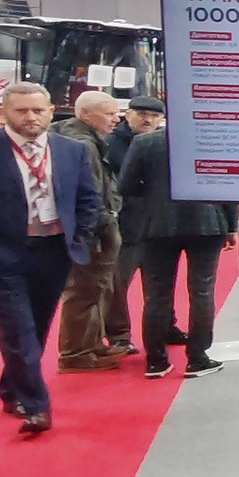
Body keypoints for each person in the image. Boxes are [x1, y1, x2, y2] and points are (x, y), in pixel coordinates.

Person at [0, 82, 101, 434]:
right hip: (0, 256)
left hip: (54, 251)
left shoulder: (71, 150)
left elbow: (87, 199)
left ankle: (12, 388)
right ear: (4, 114)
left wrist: (80, 237)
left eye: (37, 110)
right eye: (21, 110)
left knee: (37, 327)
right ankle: (36, 406)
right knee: (17, 329)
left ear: (51, 111)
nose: (30, 117)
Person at [119, 123, 235, 378]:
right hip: (207, 220)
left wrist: (154, 197)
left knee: (156, 293)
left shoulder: (144, 142)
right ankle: (197, 357)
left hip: (157, 224)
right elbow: (227, 183)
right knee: (202, 291)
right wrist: (232, 226)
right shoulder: (214, 139)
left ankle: (155, 361)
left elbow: (125, 185)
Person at [50, 91, 126, 371]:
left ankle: (90, 345)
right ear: (85, 114)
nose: (115, 119)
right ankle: (74, 354)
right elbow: (90, 192)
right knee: (85, 290)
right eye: (109, 113)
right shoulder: (83, 144)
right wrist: (101, 227)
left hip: (95, 226)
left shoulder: (79, 139)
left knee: (96, 289)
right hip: (95, 230)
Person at [104, 95, 168, 357]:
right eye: (141, 113)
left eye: (154, 115)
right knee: (118, 284)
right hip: (124, 224)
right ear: (127, 115)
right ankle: (119, 336)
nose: (148, 119)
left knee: (160, 282)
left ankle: (167, 327)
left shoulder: (161, 143)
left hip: (157, 222)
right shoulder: (110, 144)